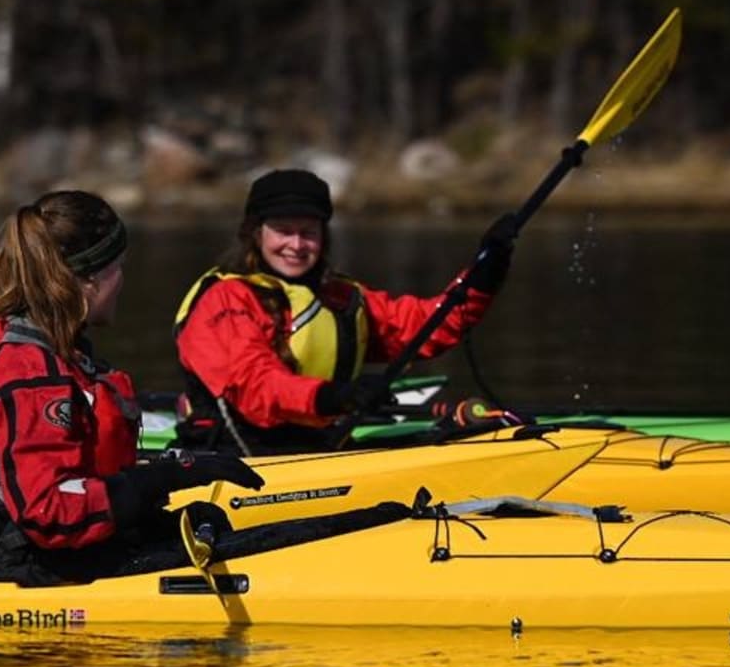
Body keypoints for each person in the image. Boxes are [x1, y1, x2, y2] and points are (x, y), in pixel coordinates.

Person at [0, 190, 262, 585]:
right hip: (5, 553)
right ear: (87, 282)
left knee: (204, 521)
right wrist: (168, 477)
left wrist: (170, 471)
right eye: (118, 267)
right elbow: (50, 513)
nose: (122, 281)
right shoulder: (32, 375)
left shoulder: (22, 338)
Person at [172, 167, 520, 453]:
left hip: (319, 449)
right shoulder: (225, 299)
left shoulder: (340, 296)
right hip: (235, 458)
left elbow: (423, 326)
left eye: (308, 233)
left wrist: (484, 273)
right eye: (283, 231)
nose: (296, 245)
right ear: (255, 233)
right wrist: (337, 397)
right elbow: (256, 387)